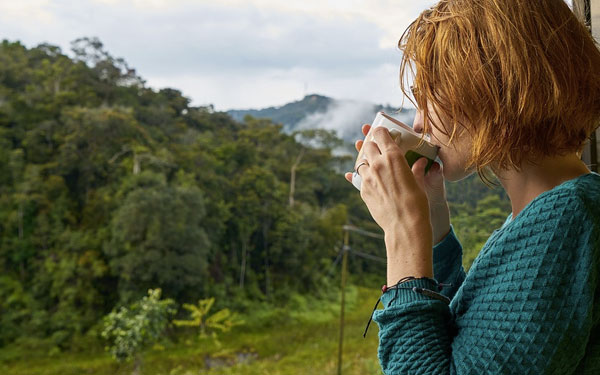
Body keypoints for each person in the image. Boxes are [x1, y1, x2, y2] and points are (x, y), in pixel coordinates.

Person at [343, 0, 600, 373]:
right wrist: (433, 231)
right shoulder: (549, 212)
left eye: (428, 95)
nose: (417, 124)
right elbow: (474, 339)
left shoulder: (566, 219)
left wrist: (403, 235)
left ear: (488, 86)